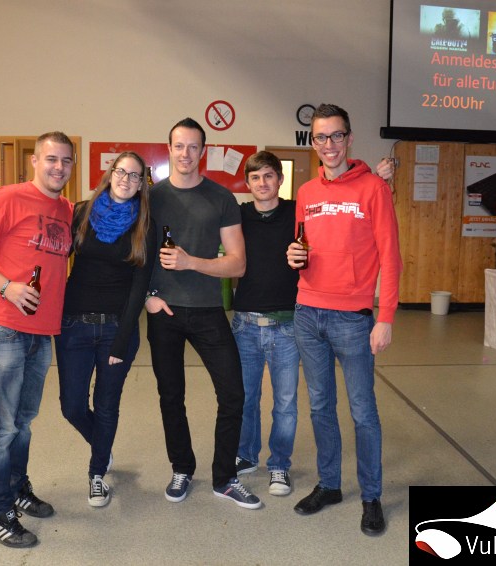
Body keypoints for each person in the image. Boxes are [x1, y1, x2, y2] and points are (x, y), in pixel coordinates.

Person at [233, 151, 395, 498]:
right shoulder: (240, 214)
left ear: (280, 180)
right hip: (249, 321)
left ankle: (280, 463)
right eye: (255, 178)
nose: (262, 183)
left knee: (287, 402)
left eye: (269, 176)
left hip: (291, 322)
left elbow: (340, 203)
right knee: (248, 398)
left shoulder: (298, 207)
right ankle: (246, 454)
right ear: (247, 184)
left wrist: (378, 180)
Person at [286, 104, 403, 536]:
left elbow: (391, 257)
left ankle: (371, 495)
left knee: (362, 411)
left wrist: (385, 316)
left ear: (349, 139)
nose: (329, 144)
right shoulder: (306, 192)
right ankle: (330, 484)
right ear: (313, 142)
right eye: (321, 137)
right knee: (320, 406)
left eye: (337, 135)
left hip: (353, 318)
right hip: (307, 312)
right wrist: (294, 256)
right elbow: (302, 246)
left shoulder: (374, 188)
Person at [0, 132, 75, 548]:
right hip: (3, 325)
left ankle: (16, 487)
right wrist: (7, 287)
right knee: (2, 423)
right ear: (35, 162)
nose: (59, 167)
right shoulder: (9, 198)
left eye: (66, 161)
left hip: (42, 330)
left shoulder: (66, 209)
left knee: (23, 421)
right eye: (51, 159)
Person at [144, 117, 261, 509]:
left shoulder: (221, 198)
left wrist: (191, 262)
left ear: (203, 151)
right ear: (169, 149)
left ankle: (224, 477)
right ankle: (182, 467)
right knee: (170, 395)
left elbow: (238, 263)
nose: (186, 153)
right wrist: (147, 297)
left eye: (193, 146)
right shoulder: (151, 198)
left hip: (208, 311)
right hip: (163, 311)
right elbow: (134, 255)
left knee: (233, 394)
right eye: (179, 146)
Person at [54, 151, 157, 508]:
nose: (127, 180)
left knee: (106, 405)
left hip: (116, 328)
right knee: (71, 406)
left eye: (135, 175)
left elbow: (139, 286)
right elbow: (56, 260)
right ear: (110, 173)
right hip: (73, 326)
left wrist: (122, 339)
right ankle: (102, 445)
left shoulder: (145, 224)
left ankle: (97, 473)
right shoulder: (81, 212)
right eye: (121, 172)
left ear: (142, 183)